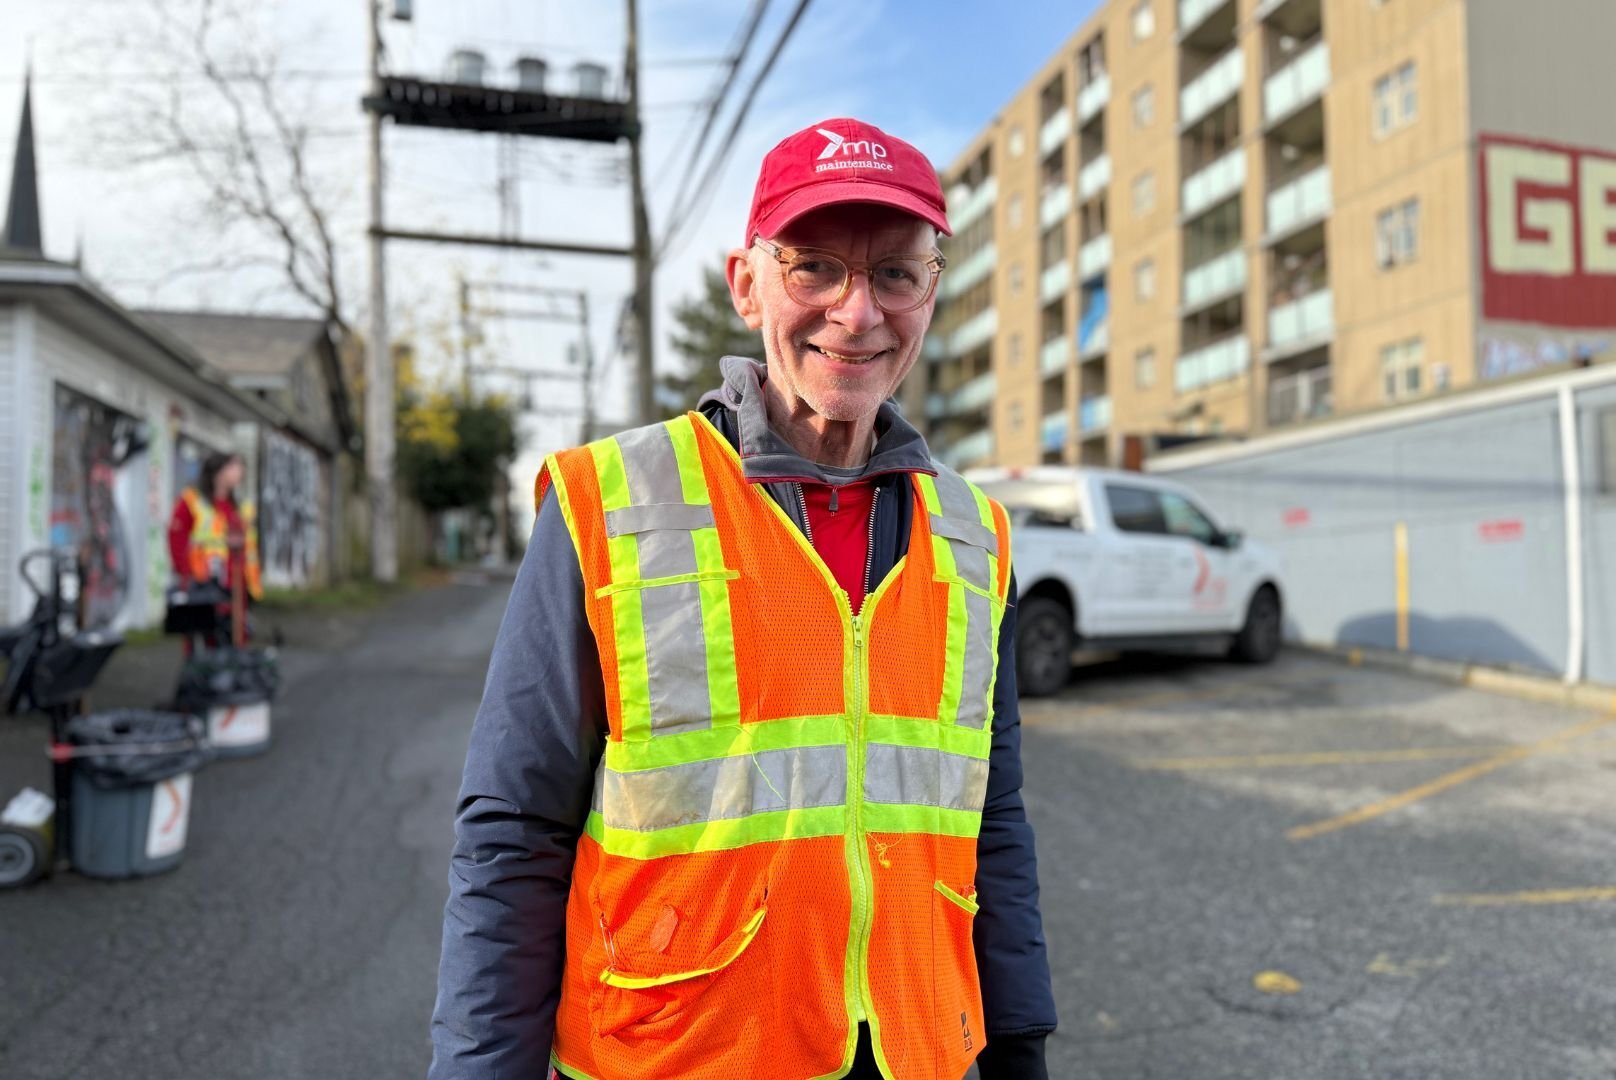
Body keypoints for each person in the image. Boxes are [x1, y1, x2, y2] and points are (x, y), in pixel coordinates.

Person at [431, 117, 1057, 1080]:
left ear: (932, 290)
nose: (858, 315)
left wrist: (1018, 1044)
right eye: (815, 268)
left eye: (896, 273)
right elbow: (516, 829)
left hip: (921, 1052)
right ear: (747, 282)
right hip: (681, 1059)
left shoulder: (973, 537)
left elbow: (992, 820)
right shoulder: (614, 503)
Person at [167, 451, 261, 645]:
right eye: (235, 467)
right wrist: (187, 574)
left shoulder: (239, 505)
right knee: (202, 637)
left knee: (234, 636)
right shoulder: (192, 500)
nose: (240, 473)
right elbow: (176, 537)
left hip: (235, 585)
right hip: (203, 584)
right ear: (219, 471)